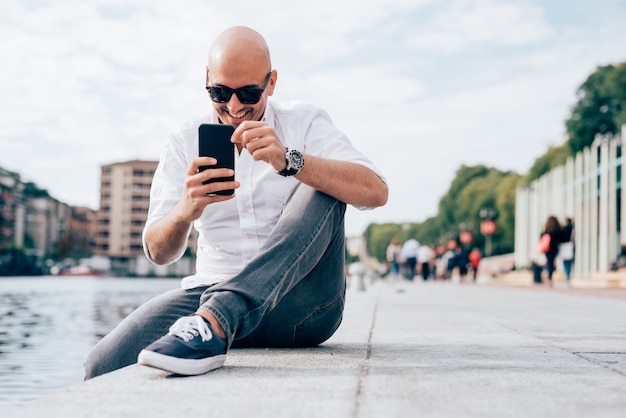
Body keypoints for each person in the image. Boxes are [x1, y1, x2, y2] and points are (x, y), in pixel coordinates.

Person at [84, 26, 388, 378]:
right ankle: (214, 320)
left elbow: (376, 192)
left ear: (271, 84)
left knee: (322, 183)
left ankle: (219, 318)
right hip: (206, 296)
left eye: (248, 93)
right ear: (207, 80)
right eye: (220, 92)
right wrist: (186, 209)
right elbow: (158, 252)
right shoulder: (183, 140)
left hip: (302, 307)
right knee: (101, 364)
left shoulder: (304, 122)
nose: (234, 106)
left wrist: (292, 161)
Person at [541, 215, 562, 286]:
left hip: (548, 249)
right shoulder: (557, 230)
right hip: (554, 249)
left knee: (549, 262)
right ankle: (550, 275)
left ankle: (549, 276)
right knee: (551, 262)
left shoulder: (547, 230)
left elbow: (542, 236)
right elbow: (560, 238)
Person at [559, 218, 575, 284]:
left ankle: (567, 276)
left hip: (565, 247)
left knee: (565, 262)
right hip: (570, 246)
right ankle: (568, 276)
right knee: (569, 262)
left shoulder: (564, 229)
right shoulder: (572, 228)